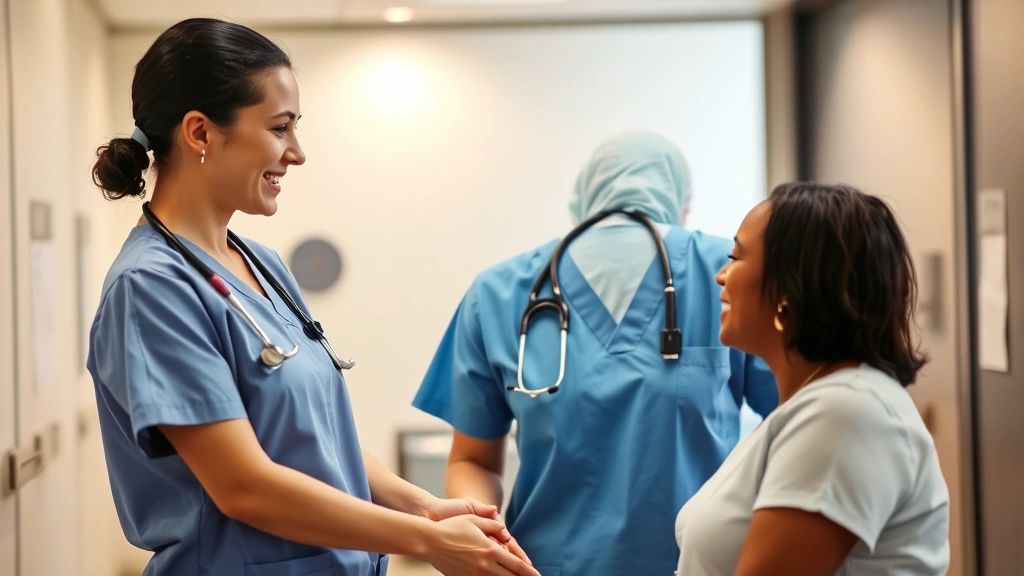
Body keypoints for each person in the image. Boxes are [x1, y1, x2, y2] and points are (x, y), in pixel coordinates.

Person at [87, 18, 539, 576]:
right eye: (280, 128)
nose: (296, 153)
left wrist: (426, 508)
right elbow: (244, 487)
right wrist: (424, 541)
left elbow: (315, 438)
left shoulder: (262, 265)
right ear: (200, 132)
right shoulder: (152, 288)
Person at [412, 131, 779, 575]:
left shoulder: (729, 275)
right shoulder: (733, 270)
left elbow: (472, 460)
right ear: (680, 201)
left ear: (585, 196)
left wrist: (480, 536)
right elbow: (800, 424)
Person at [674, 182, 950, 575]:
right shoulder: (809, 407)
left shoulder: (846, 413)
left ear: (789, 287)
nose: (721, 276)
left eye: (736, 257)